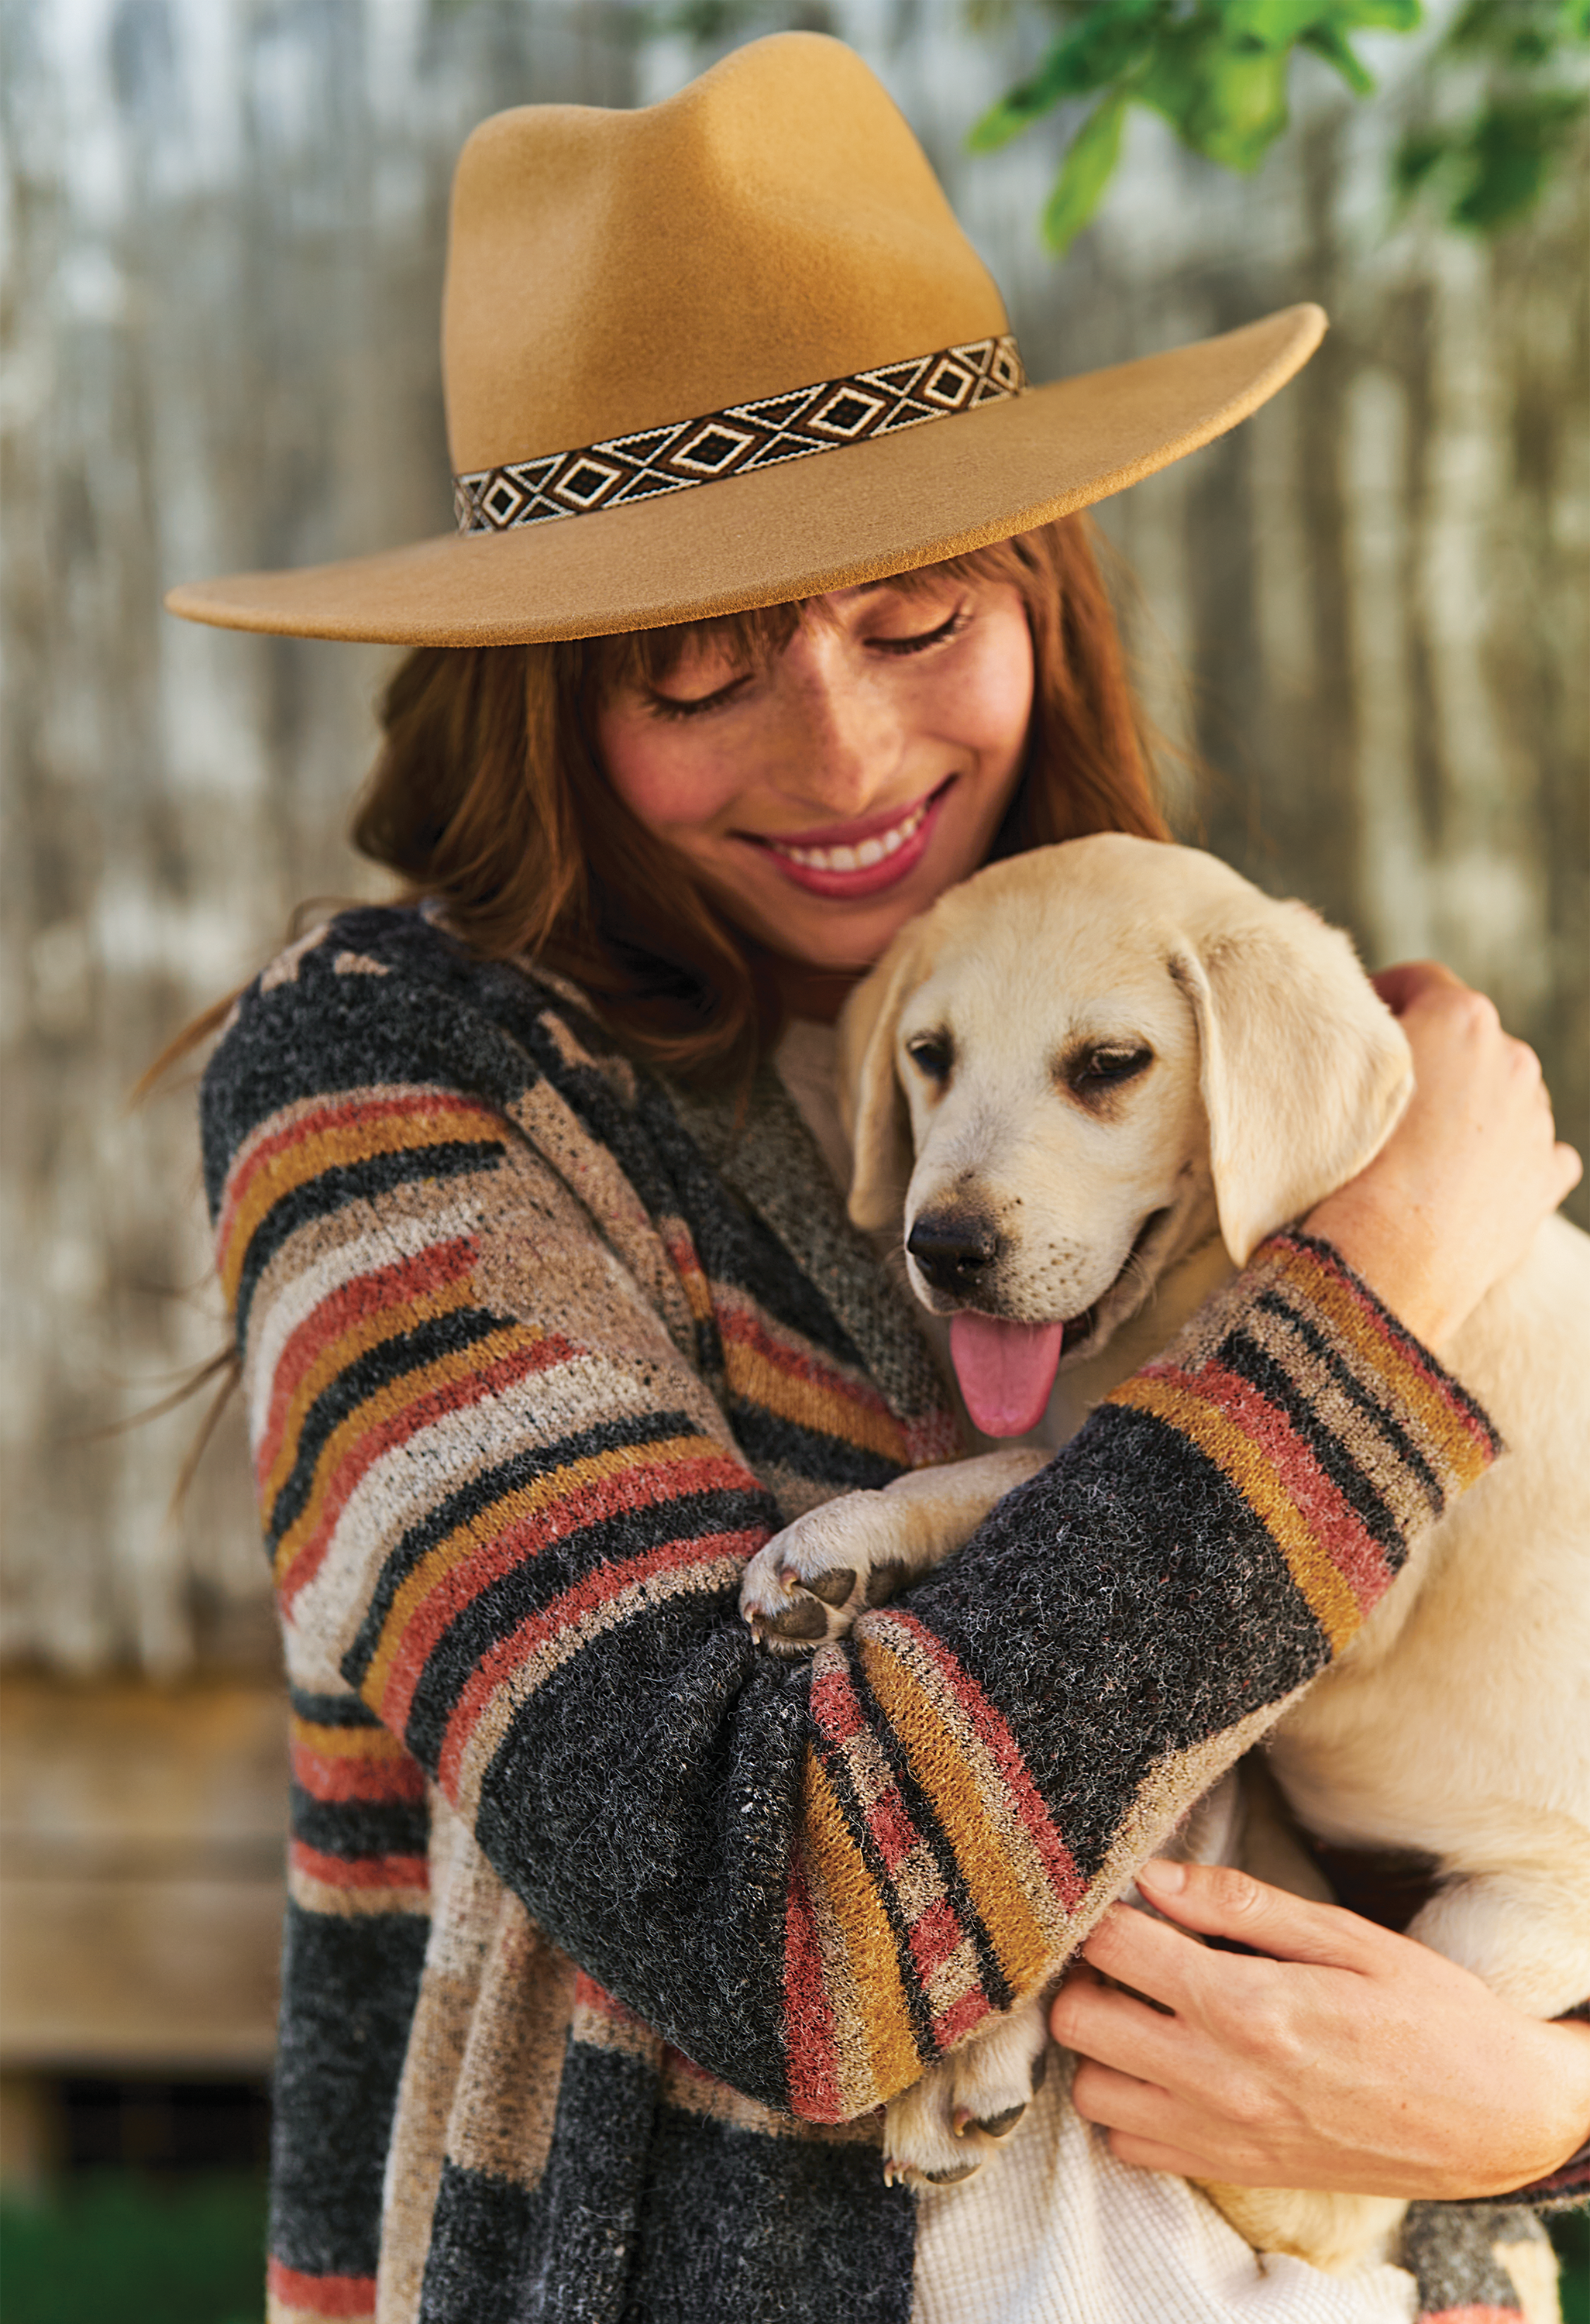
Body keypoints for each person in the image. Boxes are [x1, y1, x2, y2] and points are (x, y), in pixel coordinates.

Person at [167, 33, 1588, 2324]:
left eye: (917, 621)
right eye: (695, 666)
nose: (840, 749)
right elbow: (777, 1922)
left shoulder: (1155, 1012)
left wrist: (1540, 2103)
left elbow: (1509, 1720)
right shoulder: (400, 1096)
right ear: (544, 692)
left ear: (1040, 596)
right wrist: (1397, 1268)